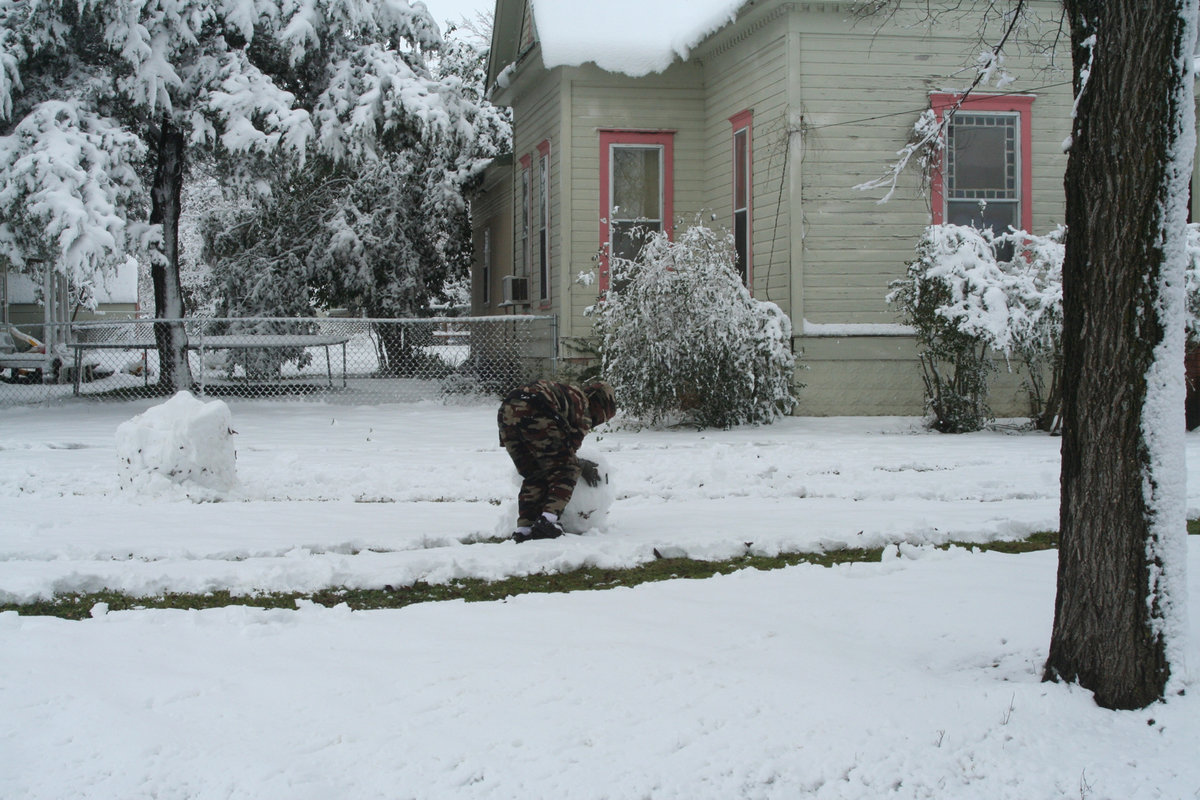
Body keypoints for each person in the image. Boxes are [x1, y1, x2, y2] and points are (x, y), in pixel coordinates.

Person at [497, 379, 617, 542]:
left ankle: (524, 529)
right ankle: (548, 521)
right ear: (602, 406)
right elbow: (565, 457)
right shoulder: (583, 406)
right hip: (537, 410)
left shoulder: (570, 394)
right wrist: (581, 466)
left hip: (507, 412)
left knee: (533, 474)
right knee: (566, 470)